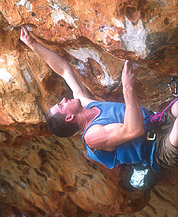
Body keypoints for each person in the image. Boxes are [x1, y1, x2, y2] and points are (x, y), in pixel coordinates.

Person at [20, 27, 178, 187]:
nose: (64, 99)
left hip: (158, 122)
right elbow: (134, 130)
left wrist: (32, 44)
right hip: (158, 150)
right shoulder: (92, 137)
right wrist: (128, 88)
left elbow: (65, 70)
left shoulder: (86, 104)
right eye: (61, 105)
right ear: (69, 117)